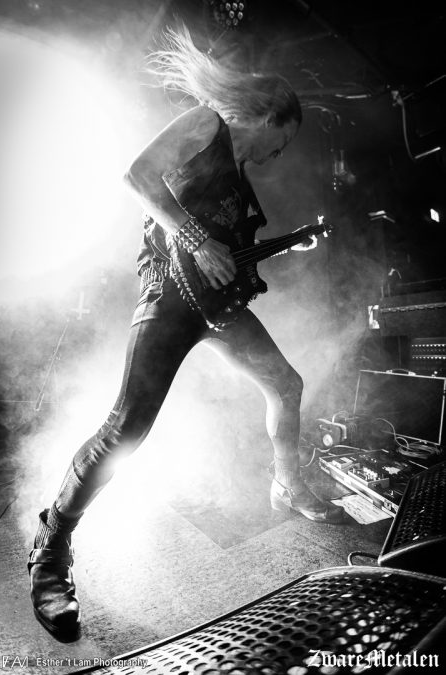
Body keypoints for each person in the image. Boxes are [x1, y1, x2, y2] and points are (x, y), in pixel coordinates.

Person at [27, 28, 344, 641]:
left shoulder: (242, 181)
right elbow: (137, 176)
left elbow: (230, 258)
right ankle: (51, 548)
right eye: (284, 140)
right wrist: (195, 239)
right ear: (271, 117)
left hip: (218, 309)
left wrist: (286, 245)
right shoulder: (206, 125)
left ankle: (287, 482)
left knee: (286, 384)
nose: (279, 154)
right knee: (126, 428)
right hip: (169, 297)